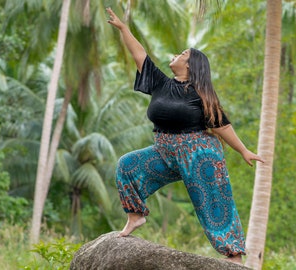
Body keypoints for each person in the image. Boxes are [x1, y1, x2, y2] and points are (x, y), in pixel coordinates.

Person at [106, 7, 264, 264]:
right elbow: (140, 55)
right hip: (164, 150)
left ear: (191, 65)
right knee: (127, 165)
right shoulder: (161, 83)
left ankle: (233, 256)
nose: (176, 55)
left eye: (183, 54)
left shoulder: (201, 94)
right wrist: (124, 28)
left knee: (214, 204)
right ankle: (135, 215)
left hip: (199, 154)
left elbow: (221, 125)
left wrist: (244, 150)